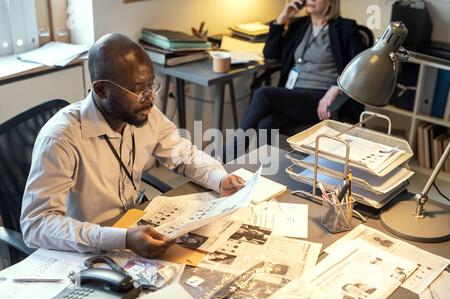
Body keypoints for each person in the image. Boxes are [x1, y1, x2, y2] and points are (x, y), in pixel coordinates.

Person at [20, 34, 246, 259]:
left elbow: (182, 153)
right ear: (101, 90)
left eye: (151, 86)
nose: (150, 99)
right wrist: (123, 238)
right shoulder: (61, 138)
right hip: (82, 248)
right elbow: (36, 225)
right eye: (139, 90)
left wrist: (219, 178)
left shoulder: (143, 113)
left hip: (133, 225)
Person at [224, 0, 365, 161]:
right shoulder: (300, 25)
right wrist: (281, 19)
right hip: (295, 96)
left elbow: (360, 68)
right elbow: (270, 53)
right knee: (265, 123)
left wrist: (336, 88)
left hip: (321, 99)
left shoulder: (346, 28)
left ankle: (228, 155)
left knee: (263, 93)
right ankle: (264, 174)